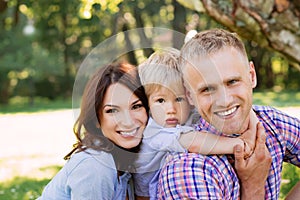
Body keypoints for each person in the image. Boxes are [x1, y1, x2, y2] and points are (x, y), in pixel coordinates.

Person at [157, 28, 300, 199]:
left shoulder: (271, 123)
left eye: (232, 81)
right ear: (190, 96)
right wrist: (253, 187)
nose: (224, 101)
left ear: (251, 76)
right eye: (207, 89)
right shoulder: (187, 170)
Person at [134, 48, 258, 200]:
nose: (171, 110)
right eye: (160, 101)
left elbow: (230, 108)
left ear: (190, 98)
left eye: (179, 99)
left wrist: (254, 126)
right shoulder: (153, 131)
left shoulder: (187, 112)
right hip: (145, 194)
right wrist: (240, 145)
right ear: (147, 103)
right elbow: (194, 142)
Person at [37, 62, 149, 200]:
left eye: (136, 106)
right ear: (96, 119)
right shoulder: (95, 166)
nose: (128, 121)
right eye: (112, 110)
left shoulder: (129, 159)